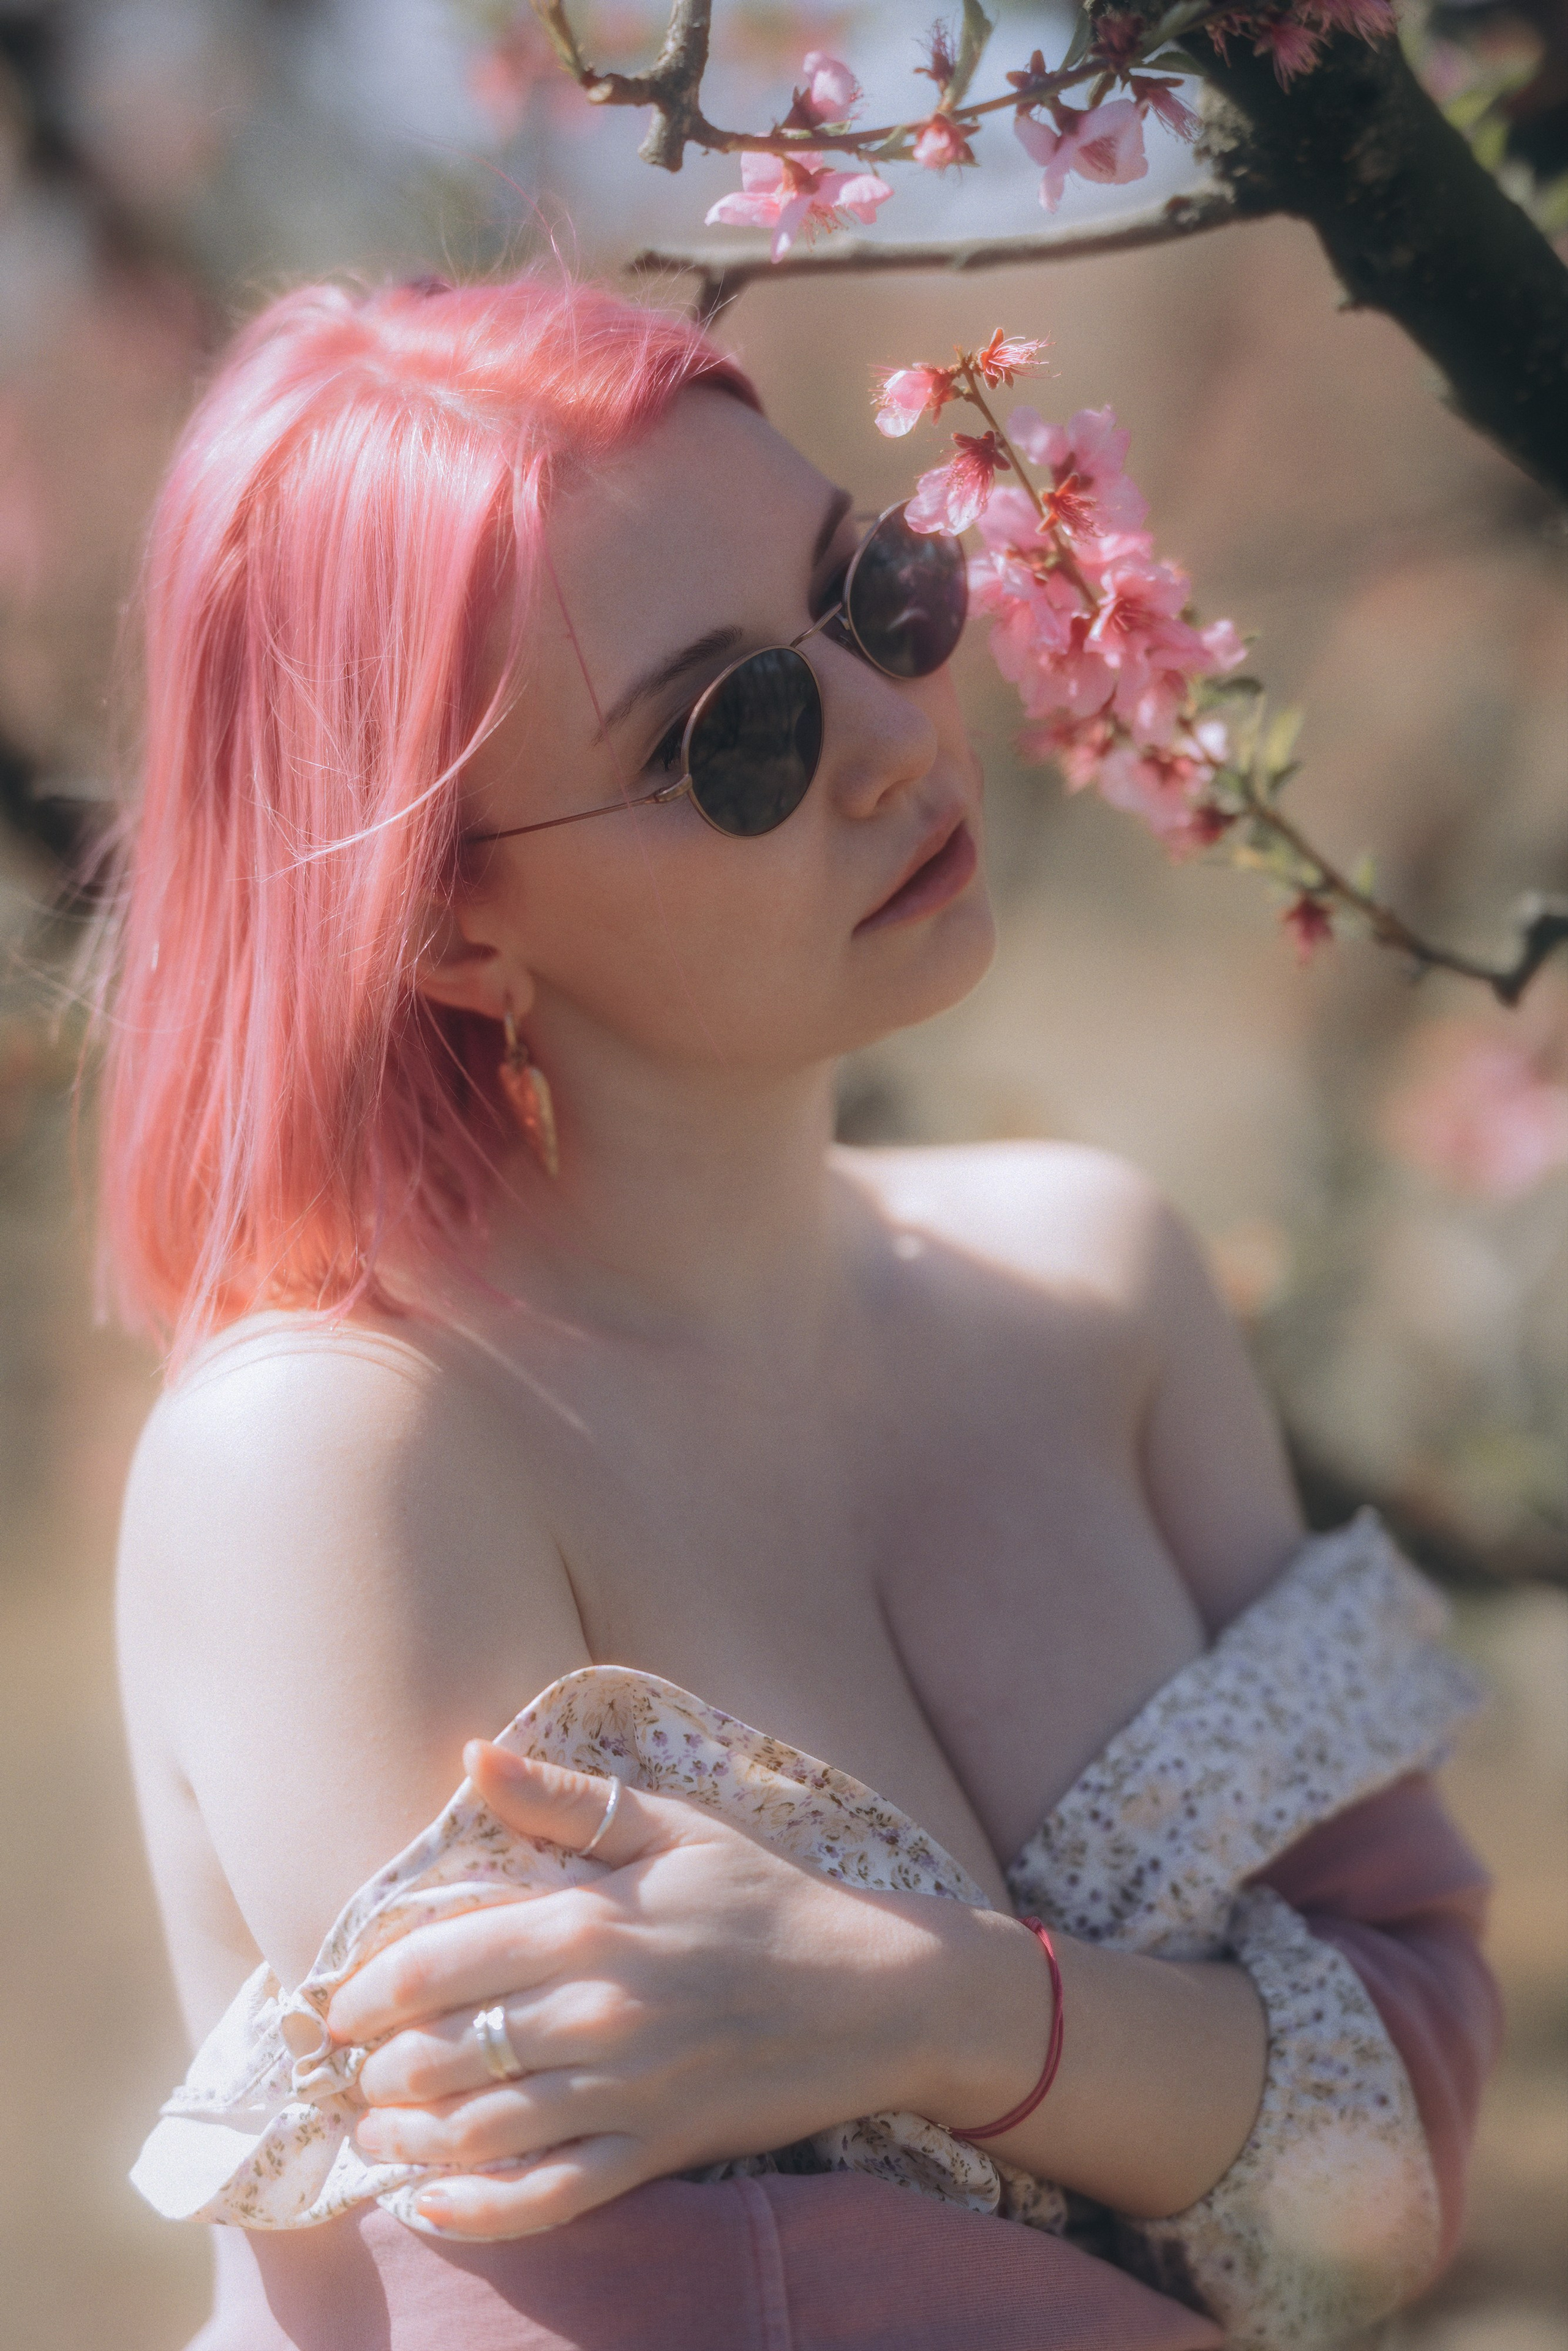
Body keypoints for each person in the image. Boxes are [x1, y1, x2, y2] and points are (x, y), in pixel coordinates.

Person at [108, 271, 1501, 2351]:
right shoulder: (340, 1458)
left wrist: (927, 2007)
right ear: (447, 925)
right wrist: (1168, 2071)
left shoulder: (1097, 1287)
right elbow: (653, 2308)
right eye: (726, 734)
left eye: (880, 589)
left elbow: (1388, 2184)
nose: (882, 733)